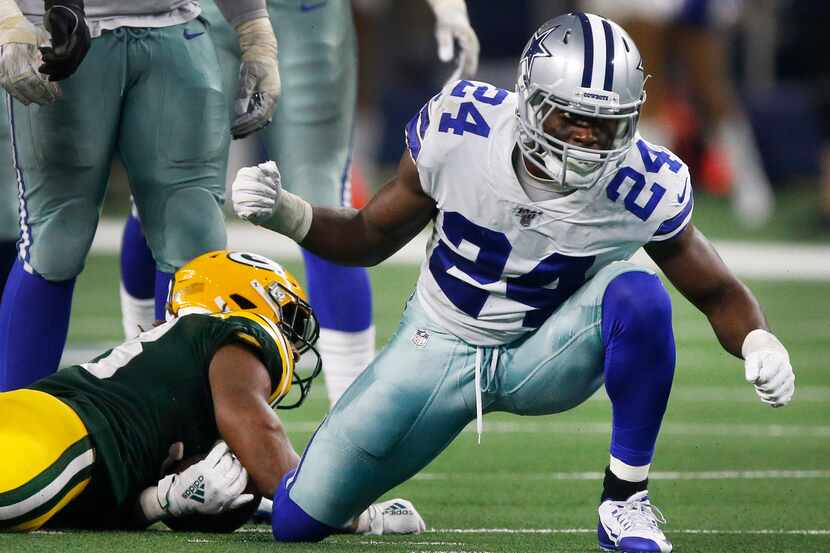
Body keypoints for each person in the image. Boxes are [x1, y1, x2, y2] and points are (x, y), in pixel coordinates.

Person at [232, 12, 796, 551]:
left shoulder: (642, 183)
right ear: (528, 100)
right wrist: (287, 212)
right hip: (439, 342)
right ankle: (354, 508)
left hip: (544, 355)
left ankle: (626, 499)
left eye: (604, 125)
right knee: (295, 523)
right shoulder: (461, 129)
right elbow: (366, 237)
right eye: (569, 117)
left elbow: (717, 291)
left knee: (638, 292)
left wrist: (757, 340)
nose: (585, 140)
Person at [119, 0, 481, 408]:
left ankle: (354, 419)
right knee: (167, 199)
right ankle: (144, 375)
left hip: (289, 16)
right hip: (203, 16)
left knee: (316, 199)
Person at [0, 249, 425, 535]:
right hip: (57, 432)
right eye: (289, 319)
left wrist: (162, 502)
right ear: (244, 298)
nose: (293, 343)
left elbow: (89, 504)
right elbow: (247, 419)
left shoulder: (175, 366)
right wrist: (355, 514)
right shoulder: (237, 331)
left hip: (44, 426)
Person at [0, 0, 280, 391]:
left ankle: (178, 439)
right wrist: (7, 21)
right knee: (56, 241)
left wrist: (256, 33)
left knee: (194, 244)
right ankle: (13, 432)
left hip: (174, 26)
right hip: (59, 28)